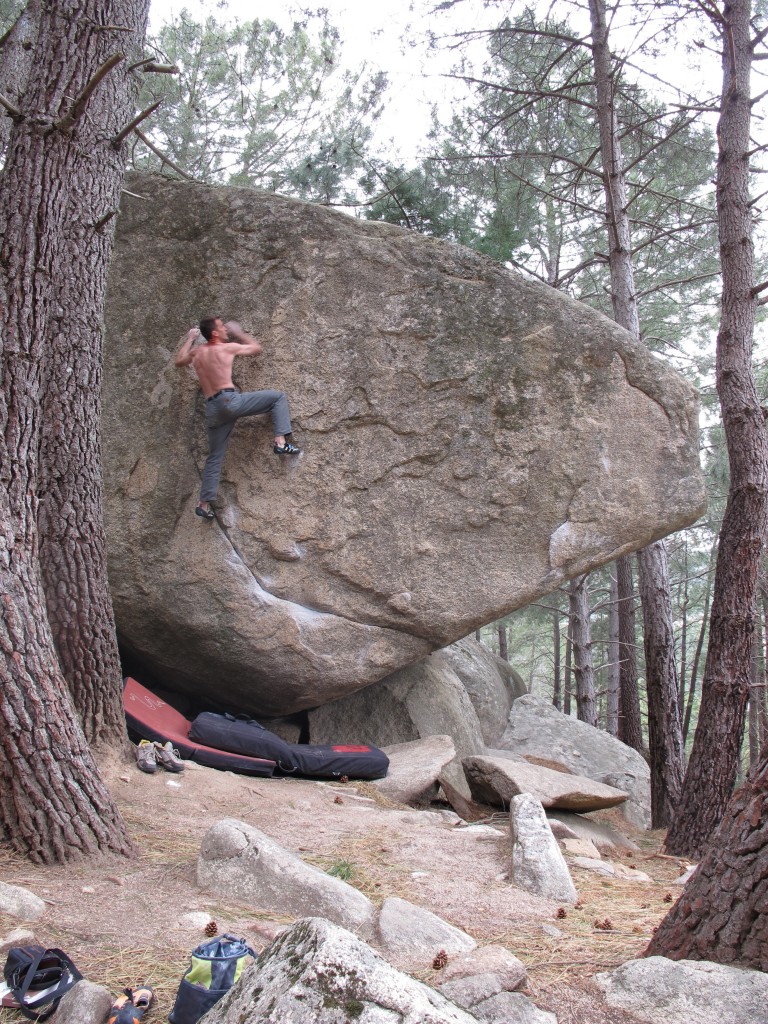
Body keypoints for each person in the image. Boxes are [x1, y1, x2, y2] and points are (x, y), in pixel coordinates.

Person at [175, 316, 300, 519]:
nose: (225, 328)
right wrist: (239, 332)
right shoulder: (226, 348)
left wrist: (190, 338)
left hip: (213, 409)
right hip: (229, 401)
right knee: (278, 398)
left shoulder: (197, 353)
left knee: (214, 457)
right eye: (221, 326)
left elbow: (179, 361)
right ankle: (280, 442)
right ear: (215, 333)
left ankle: (203, 504)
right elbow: (256, 348)